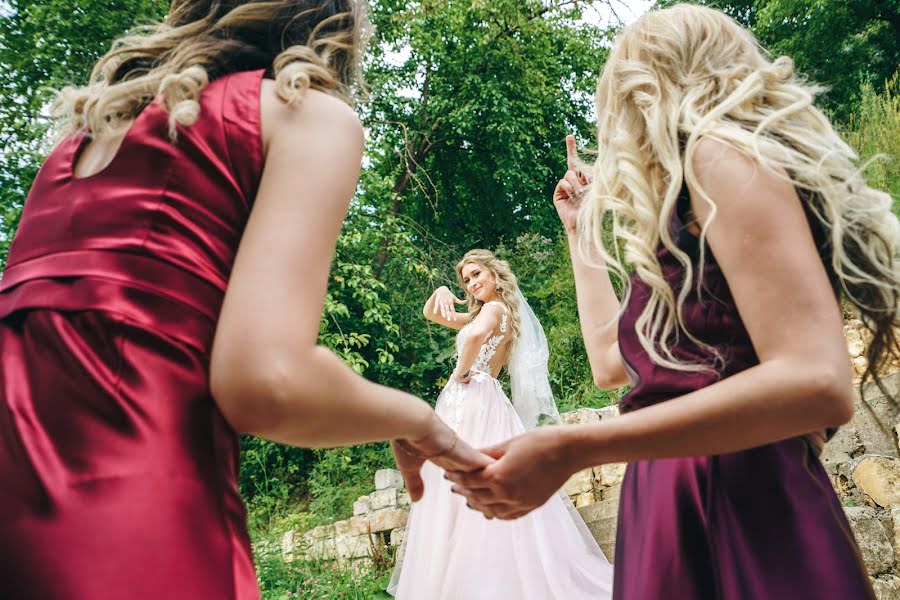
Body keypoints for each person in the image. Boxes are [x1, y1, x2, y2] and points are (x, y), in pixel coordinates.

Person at [0, 2, 487, 599]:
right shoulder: (302, 115)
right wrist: (420, 420)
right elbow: (267, 381)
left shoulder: (83, 141)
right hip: (125, 495)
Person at [447, 4, 898, 598]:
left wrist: (573, 446)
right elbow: (611, 364)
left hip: (738, 496)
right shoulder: (678, 215)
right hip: (664, 501)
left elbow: (818, 381)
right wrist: (580, 231)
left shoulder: (722, 158)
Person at [387, 249, 613, 599]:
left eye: (477, 274)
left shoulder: (492, 310)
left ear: (495, 274)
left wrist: (460, 373)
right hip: (485, 397)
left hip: (473, 397)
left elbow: (475, 339)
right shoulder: (494, 313)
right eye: (466, 280)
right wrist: (441, 293)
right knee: (471, 476)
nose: (472, 283)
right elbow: (432, 314)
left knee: (458, 477)